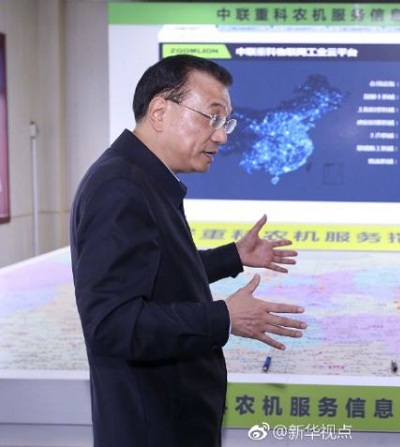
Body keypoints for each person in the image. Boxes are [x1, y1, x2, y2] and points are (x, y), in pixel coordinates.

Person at [70, 55, 307, 447]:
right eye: (212, 118)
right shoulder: (120, 188)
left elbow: (155, 272)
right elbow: (112, 324)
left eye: (225, 122)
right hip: (153, 430)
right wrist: (223, 317)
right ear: (160, 111)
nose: (222, 137)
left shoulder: (142, 179)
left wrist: (232, 257)